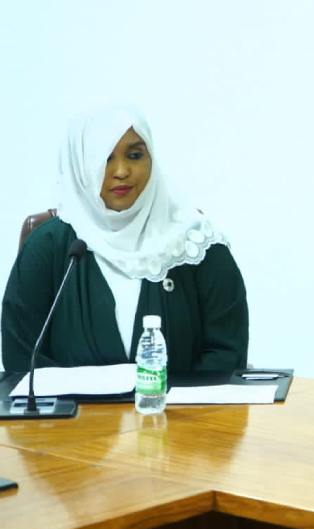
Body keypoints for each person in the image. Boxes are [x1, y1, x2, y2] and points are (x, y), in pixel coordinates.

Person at [1, 107, 249, 373]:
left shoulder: (197, 244)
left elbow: (227, 354)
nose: (121, 171)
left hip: (180, 414)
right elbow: (22, 358)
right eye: (104, 158)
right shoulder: (48, 247)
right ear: (80, 166)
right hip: (72, 414)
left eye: (134, 155)